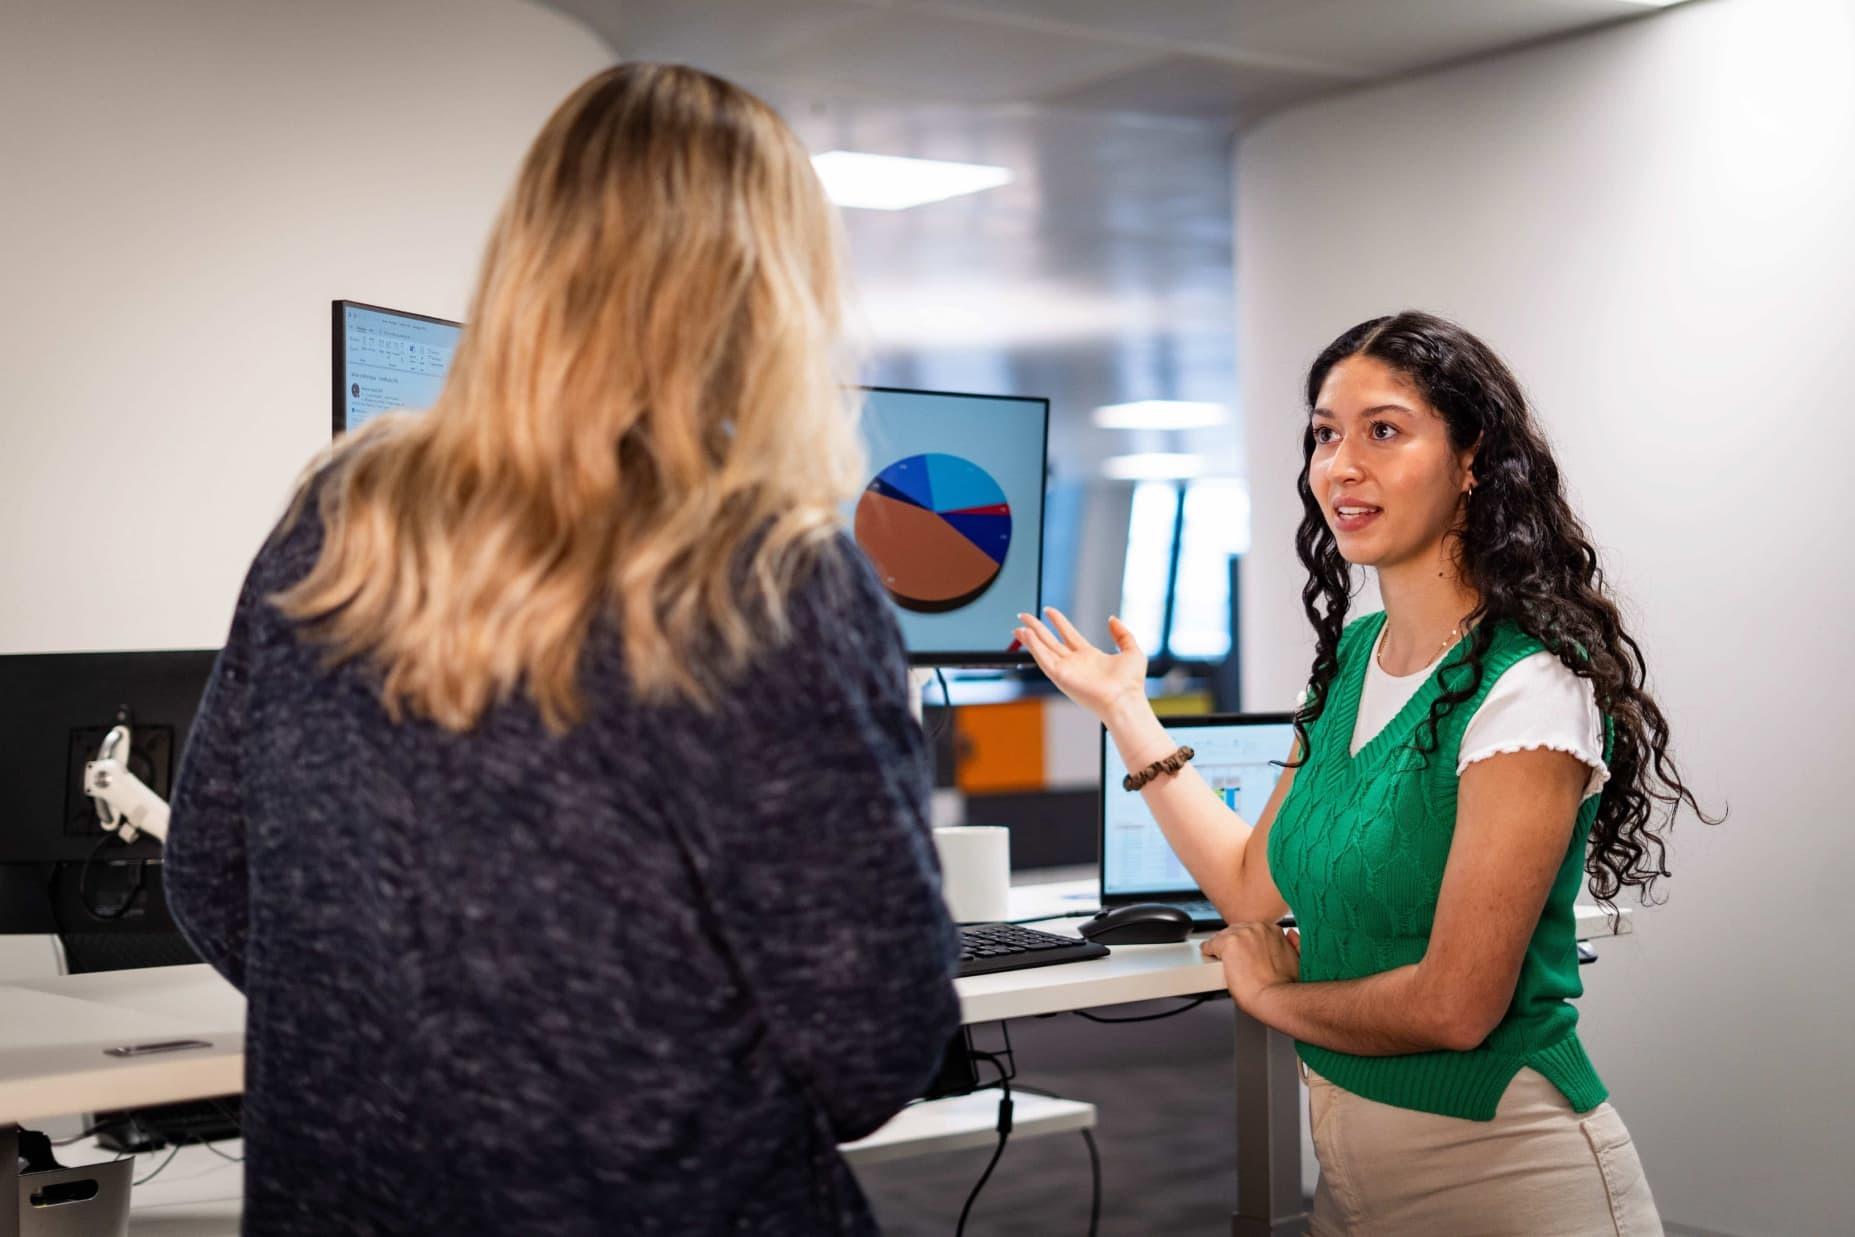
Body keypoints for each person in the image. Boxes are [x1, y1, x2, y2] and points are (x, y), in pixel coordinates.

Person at [165, 63, 960, 1237]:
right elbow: (874, 1036)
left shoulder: (339, 519)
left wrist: (416, 1071)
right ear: (772, 290)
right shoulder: (765, 574)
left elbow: (210, 881)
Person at [1016, 311, 1717, 1234]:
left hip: (1504, 1174)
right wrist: (1125, 711)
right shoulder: (1353, 658)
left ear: (1472, 459)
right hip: (1349, 1179)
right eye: (1324, 433)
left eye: (1382, 430)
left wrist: (1272, 995)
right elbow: (1246, 884)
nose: (1339, 465)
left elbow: (1456, 1005)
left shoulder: (1529, 687)